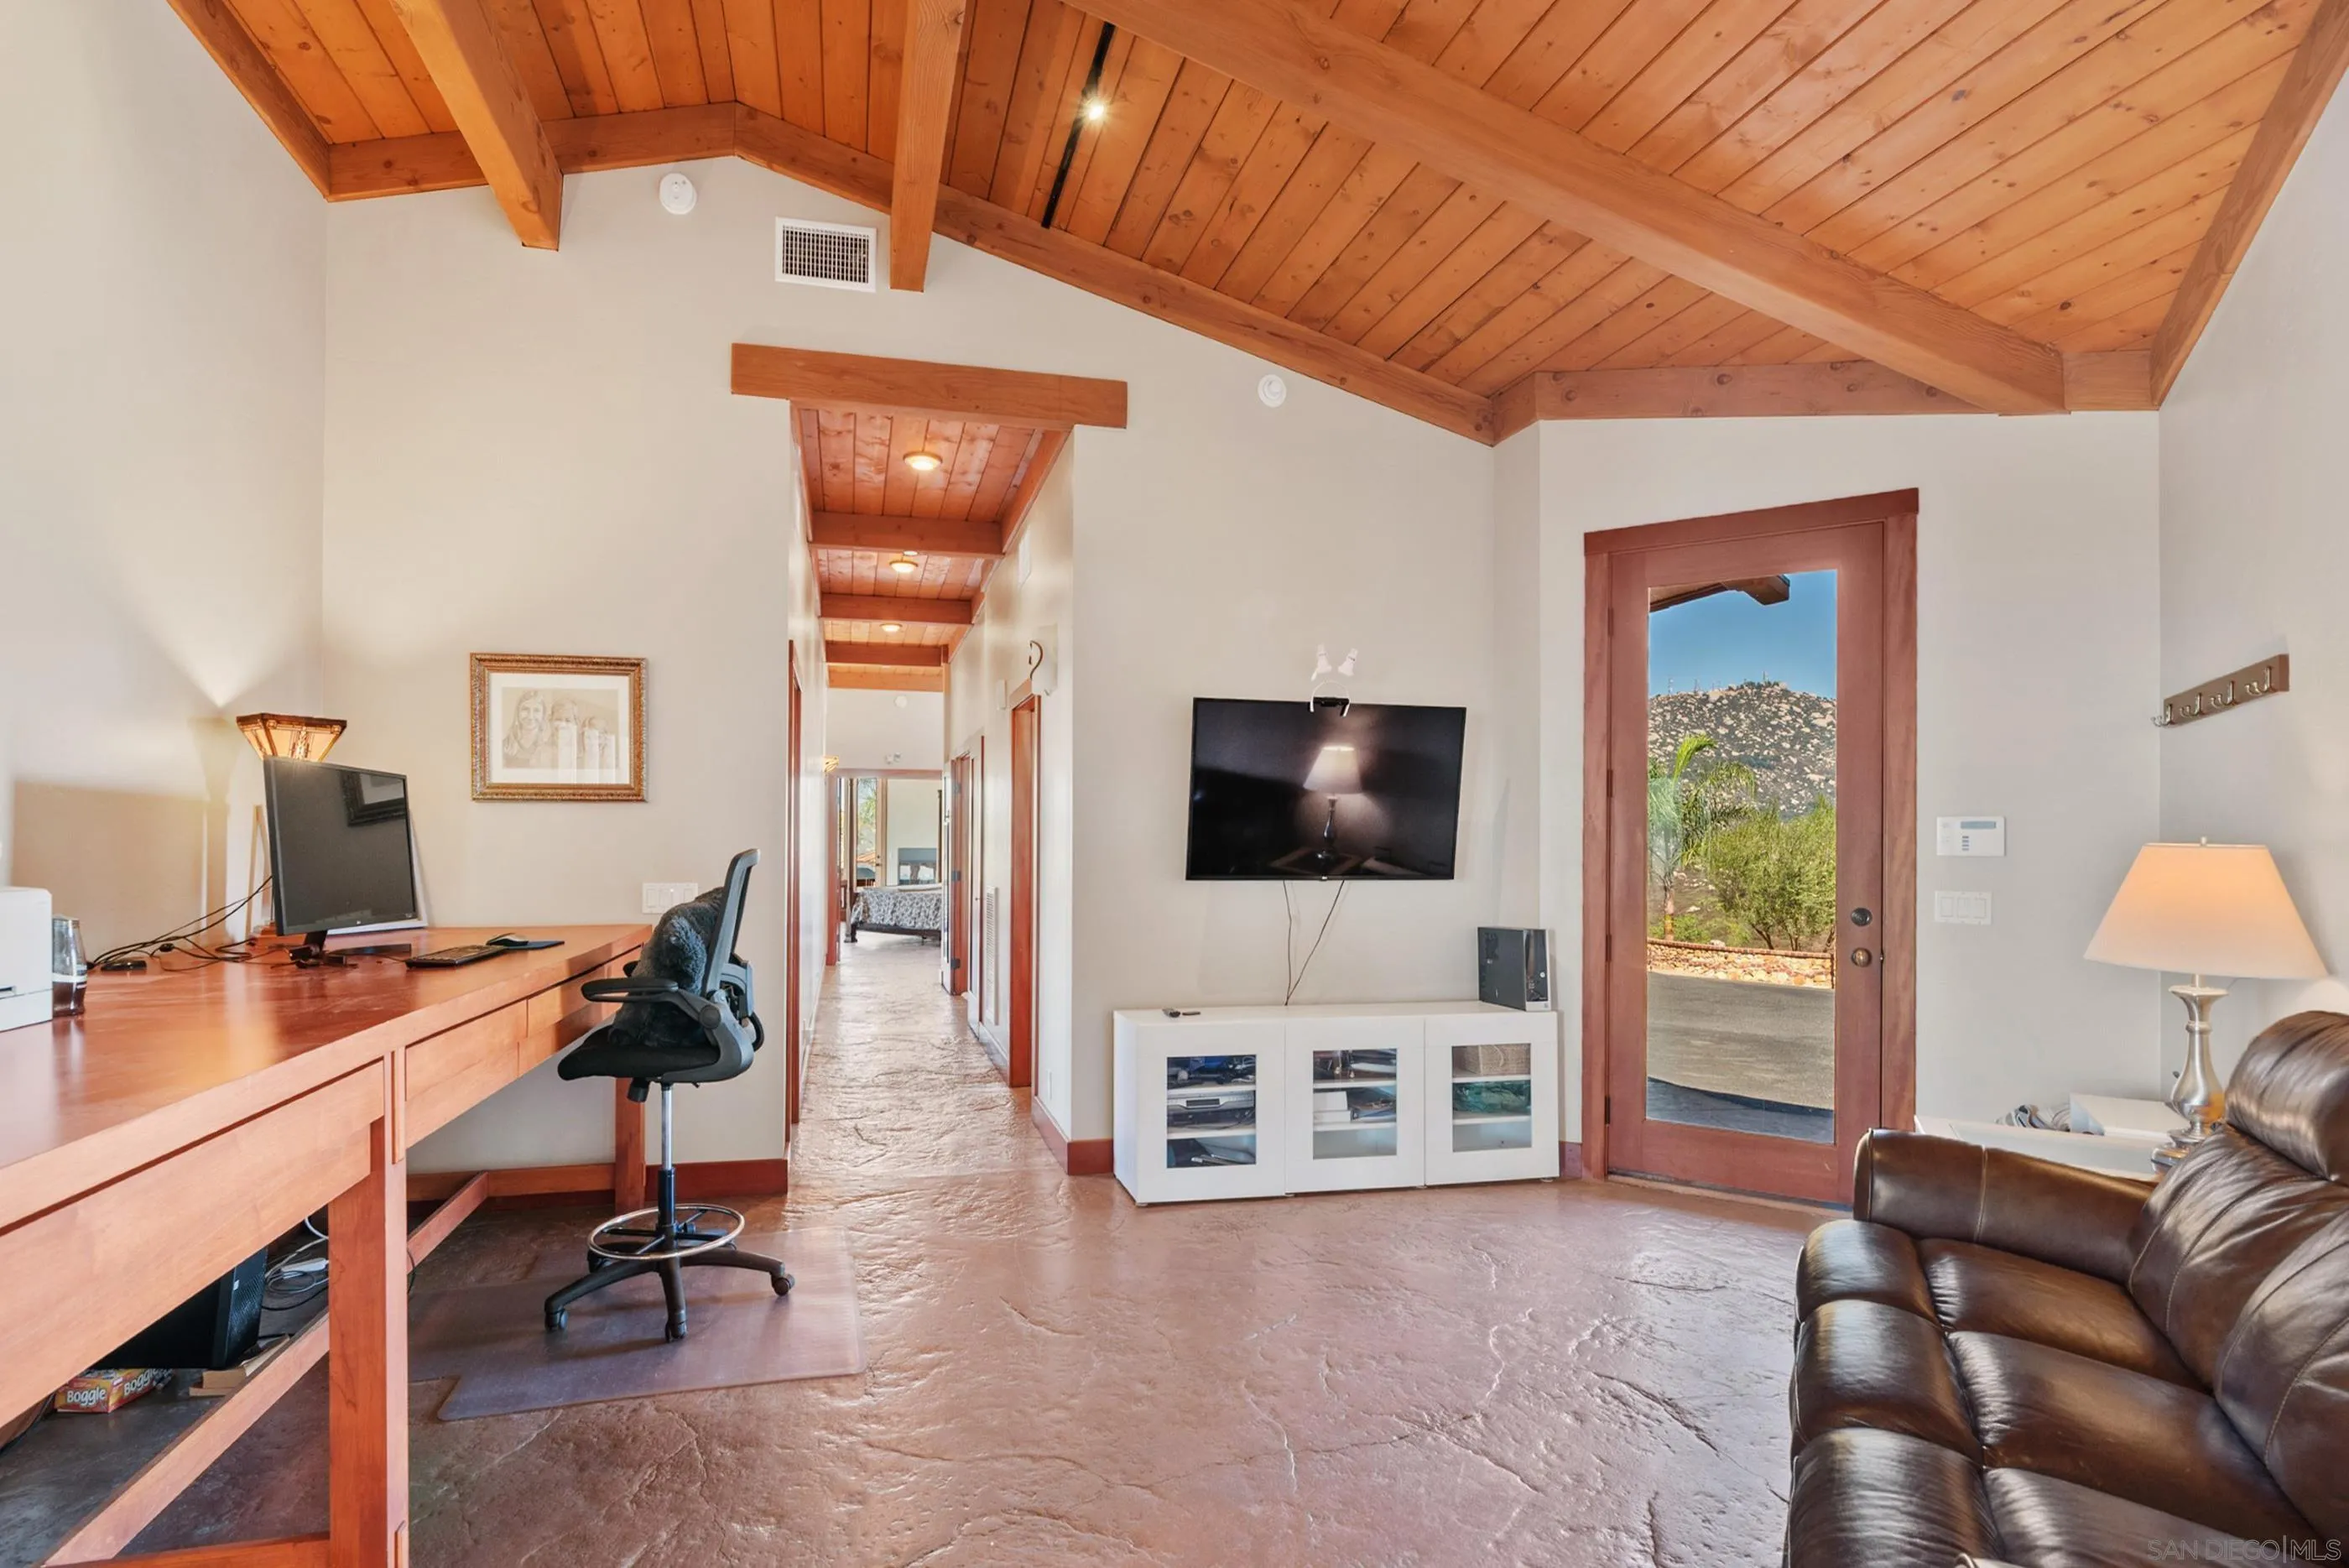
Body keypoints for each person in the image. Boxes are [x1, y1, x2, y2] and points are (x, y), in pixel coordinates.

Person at [502, 690, 556, 769]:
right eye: (525, 710)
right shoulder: (505, 746)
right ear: (517, 713)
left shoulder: (549, 745)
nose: (530, 717)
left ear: (543, 715)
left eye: (536, 711)